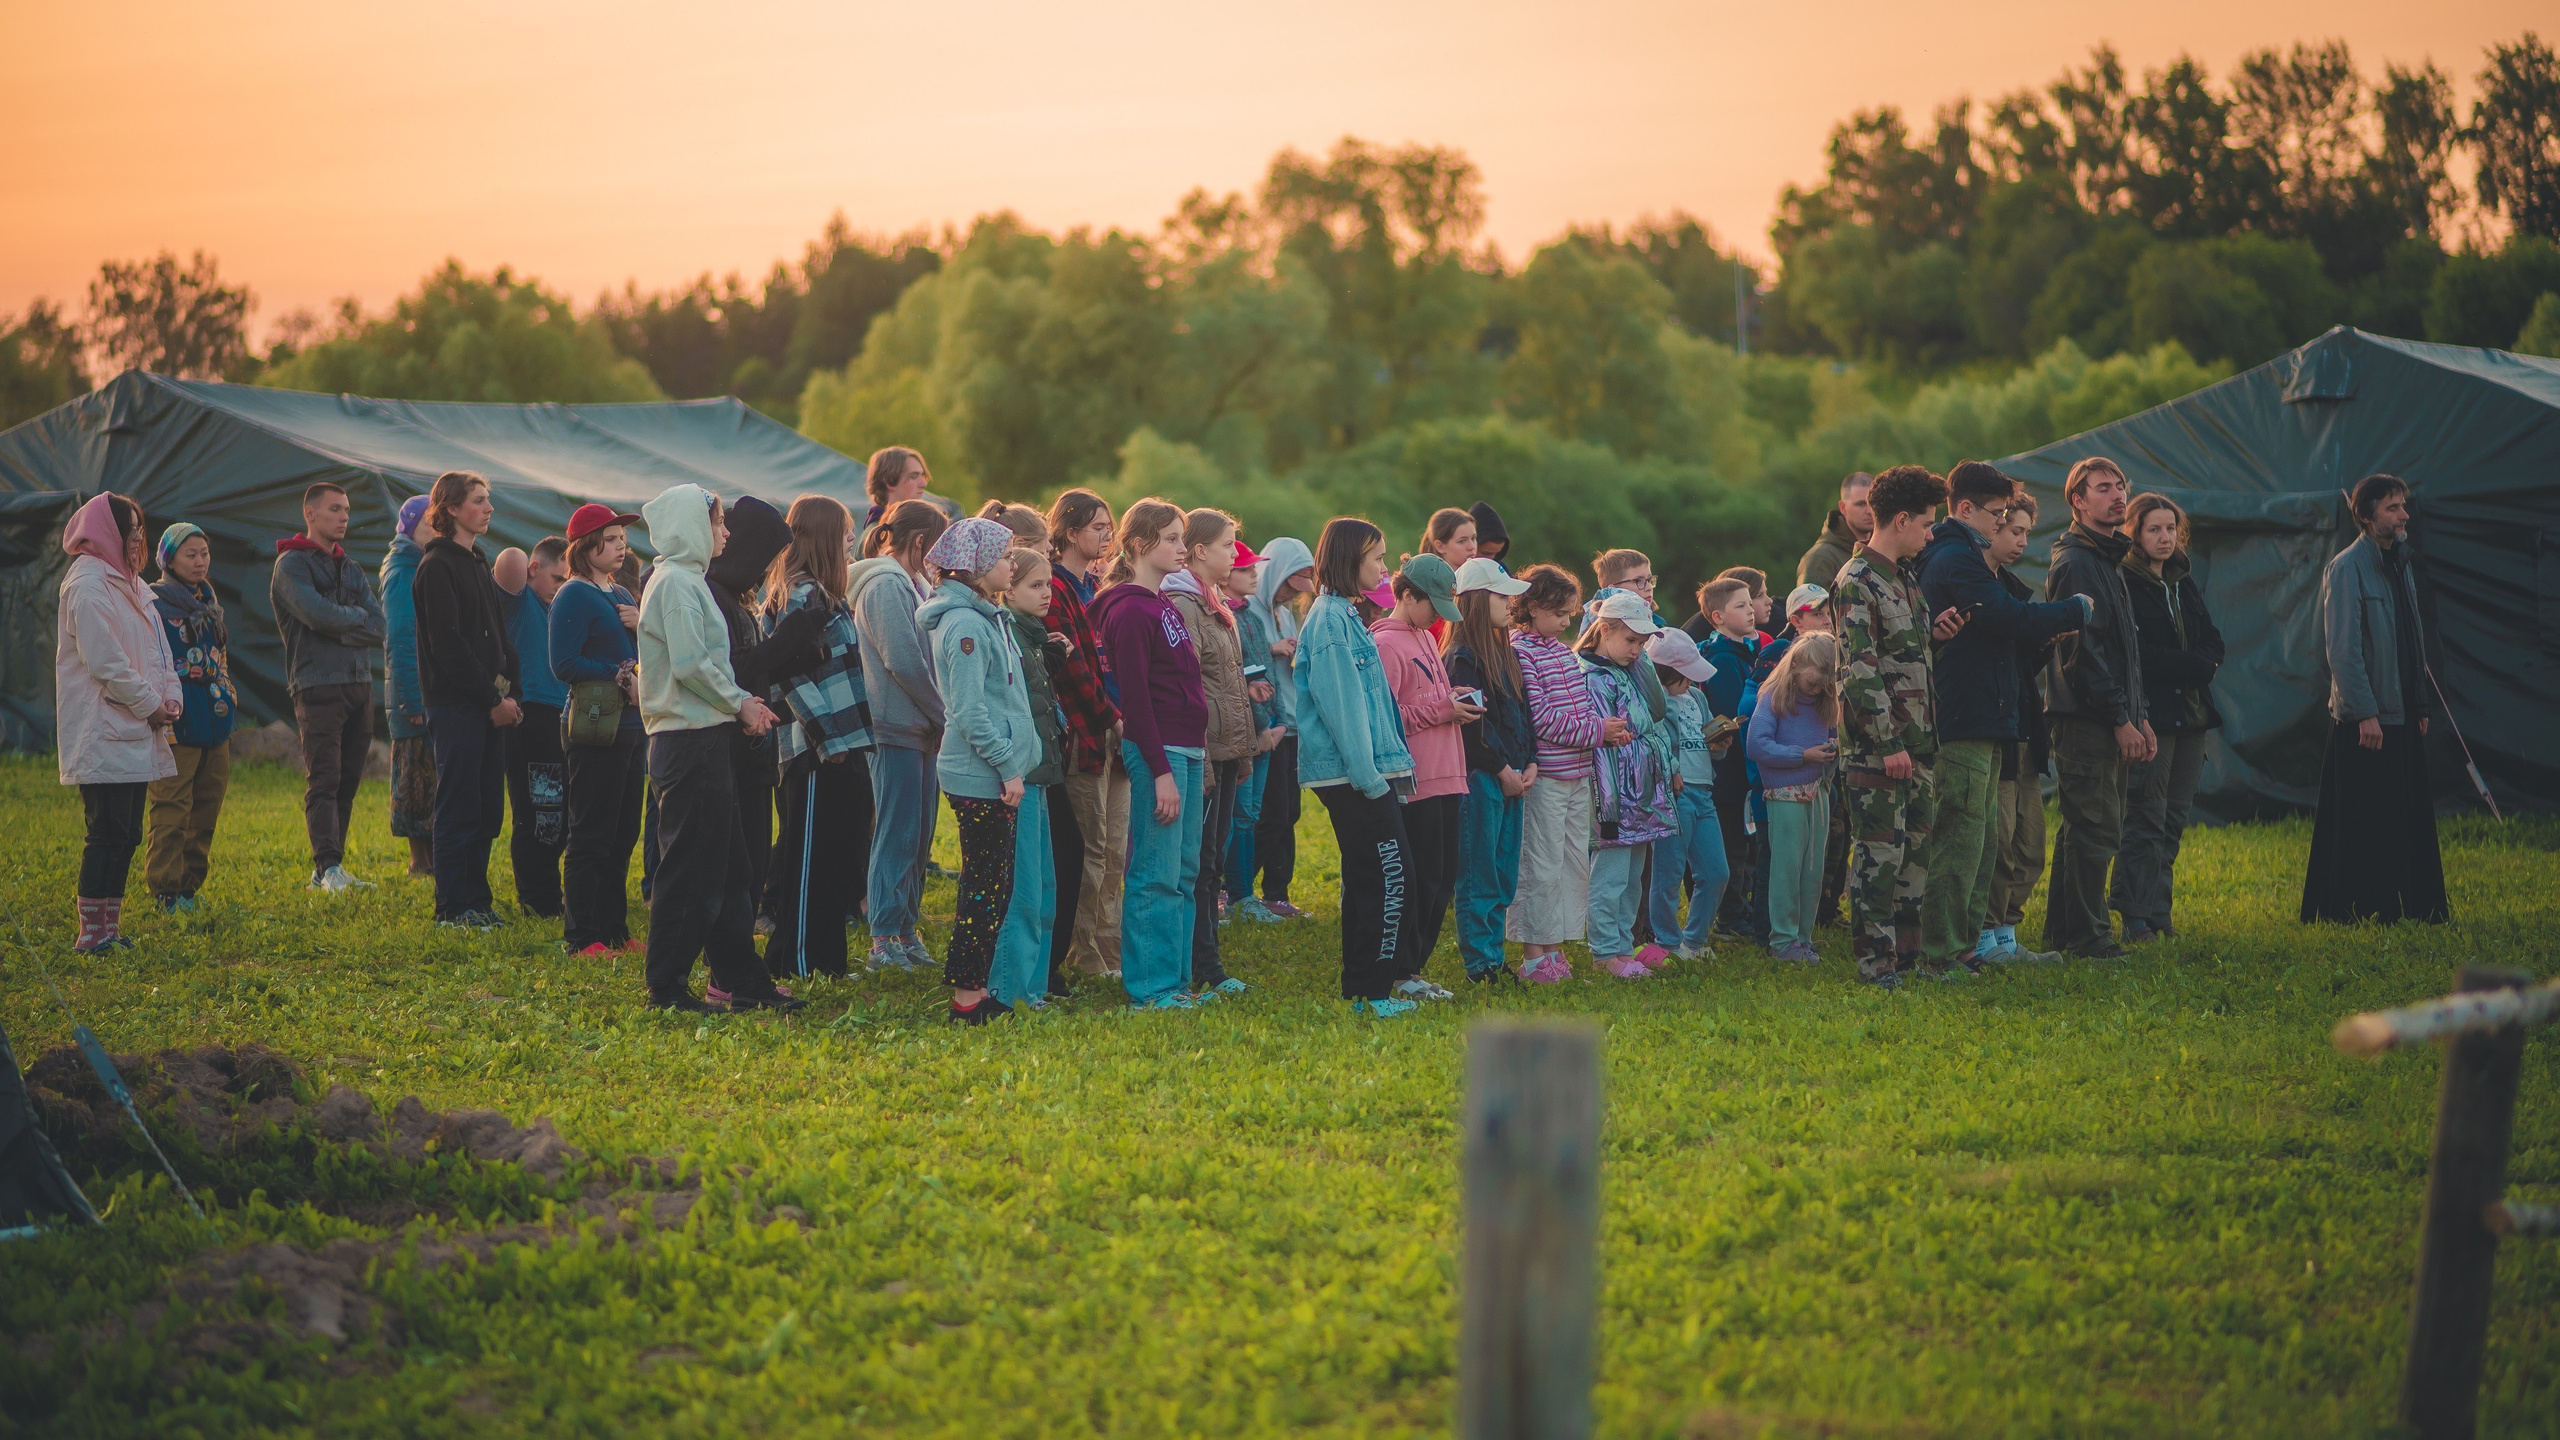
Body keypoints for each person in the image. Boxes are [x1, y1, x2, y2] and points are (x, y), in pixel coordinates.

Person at [1914, 461, 2087, 974]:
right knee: (1960, 838)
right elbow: (2005, 615)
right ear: (1964, 509)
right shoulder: (1954, 558)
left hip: (1987, 719)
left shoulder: (1964, 555)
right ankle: (1942, 952)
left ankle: (1968, 946)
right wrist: (2073, 610)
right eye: (1997, 514)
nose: (2002, 524)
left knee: (1984, 838)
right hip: (1964, 718)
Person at [635, 484, 796, 1013]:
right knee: (692, 869)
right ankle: (667, 986)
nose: (726, 532)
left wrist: (737, 702)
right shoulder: (678, 583)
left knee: (729, 869)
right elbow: (690, 665)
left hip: (703, 735)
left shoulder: (688, 581)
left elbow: (706, 666)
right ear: (690, 526)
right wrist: (741, 704)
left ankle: (742, 978)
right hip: (687, 740)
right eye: (718, 522)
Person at [2302, 474, 2448, 925]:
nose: (2404, 514)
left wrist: (2419, 705)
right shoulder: (2347, 568)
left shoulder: (2399, 563)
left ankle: (2410, 906)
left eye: (2403, 505)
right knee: (2363, 820)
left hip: (2402, 712)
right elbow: (2343, 651)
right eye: (2392, 507)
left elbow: (2411, 640)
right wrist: (2364, 713)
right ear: (2366, 516)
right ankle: (2357, 910)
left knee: (2403, 816)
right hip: (2367, 719)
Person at [1835, 464, 1956, 987]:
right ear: (1901, 519)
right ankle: (1874, 964)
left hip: (1918, 742)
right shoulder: (1856, 581)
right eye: (1926, 524)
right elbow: (1858, 670)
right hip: (1879, 749)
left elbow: (1901, 655)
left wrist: (1940, 635)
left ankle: (1905, 959)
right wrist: (1886, 743)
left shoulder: (1905, 577)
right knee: (1879, 857)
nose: (1931, 534)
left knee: (1914, 855)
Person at [1296, 517, 1421, 1017]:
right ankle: (1373, 993)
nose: (1386, 569)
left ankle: (1364, 991)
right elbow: (1342, 706)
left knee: (1376, 875)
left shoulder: (1345, 615)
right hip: (1353, 775)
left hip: (1365, 772)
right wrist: (1371, 779)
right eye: (1378, 559)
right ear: (1351, 561)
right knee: (1391, 876)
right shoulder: (1329, 621)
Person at [1091, 499, 1211, 1011]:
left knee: (1183, 873)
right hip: (1158, 751)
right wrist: (1161, 771)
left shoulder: (1162, 602)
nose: (1181, 548)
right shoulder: (1130, 608)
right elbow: (1135, 698)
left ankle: (1176, 981)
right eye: (1170, 538)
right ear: (1139, 544)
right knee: (1155, 872)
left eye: (1181, 538)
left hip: (1186, 749)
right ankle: (1150, 988)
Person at [918, 519, 1038, 1023]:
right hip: (981, 773)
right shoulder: (966, 625)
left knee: (994, 883)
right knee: (985, 886)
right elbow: (968, 713)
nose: (1013, 564)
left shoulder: (987, 616)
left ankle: (974, 988)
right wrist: (1009, 767)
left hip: (994, 771)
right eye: (1006, 556)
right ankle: (967, 999)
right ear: (976, 566)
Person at [58, 494, 181, 951]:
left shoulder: (134, 584)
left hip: (136, 726)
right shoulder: (87, 585)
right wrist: (151, 704)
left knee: (128, 833)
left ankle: (110, 928)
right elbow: (105, 663)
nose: (136, 538)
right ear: (106, 531)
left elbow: (160, 652)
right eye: (129, 529)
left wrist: (170, 695)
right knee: (105, 831)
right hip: (103, 729)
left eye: (139, 529)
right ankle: (91, 934)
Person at [2041, 456, 2153, 959]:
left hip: (2110, 715)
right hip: (2085, 720)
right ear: (2078, 501)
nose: (2117, 495)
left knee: (2083, 826)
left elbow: (2125, 650)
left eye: (2120, 486)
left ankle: (2065, 933)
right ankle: (2088, 938)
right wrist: (2119, 718)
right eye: (2103, 488)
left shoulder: (2106, 559)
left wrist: (2140, 714)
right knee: (2094, 828)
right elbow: (2081, 656)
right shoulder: (2076, 563)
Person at [759, 496, 871, 980]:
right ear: (823, 536)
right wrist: (828, 739)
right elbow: (787, 676)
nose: (851, 540)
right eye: (844, 531)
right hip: (815, 751)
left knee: (838, 856)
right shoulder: (801, 598)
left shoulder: (826, 595)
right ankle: (795, 960)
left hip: (844, 745)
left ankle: (828, 960)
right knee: (808, 860)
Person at [2112, 492, 2224, 942]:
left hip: (2192, 714)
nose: (2164, 537)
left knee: (2174, 816)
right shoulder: (2126, 580)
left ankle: (2160, 910)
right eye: (2154, 529)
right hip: (2152, 715)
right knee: (2146, 815)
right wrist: (2191, 665)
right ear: (2135, 533)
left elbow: (2212, 639)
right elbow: (2136, 653)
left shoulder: (2183, 580)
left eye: (2171, 529)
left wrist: (2204, 662)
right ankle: (2133, 914)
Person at [412, 471, 520, 928]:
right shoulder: (436, 567)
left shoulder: (478, 562)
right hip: (457, 704)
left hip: (487, 701)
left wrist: (510, 684)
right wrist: (490, 696)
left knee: (486, 807)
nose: (488, 508)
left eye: (488, 499)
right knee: (458, 806)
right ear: (452, 508)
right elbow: (448, 645)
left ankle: (477, 900)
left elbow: (498, 637)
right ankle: (453, 907)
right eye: (479, 500)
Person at [269, 480, 387, 893]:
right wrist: (351, 618)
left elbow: (379, 624)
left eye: (347, 510)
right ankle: (328, 866)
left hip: (359, 684)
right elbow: (316, 615)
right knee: (324, 778)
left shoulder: (349, 566)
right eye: (335, 509)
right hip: (317, 685)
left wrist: (344, 622)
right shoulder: (291, 566)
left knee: (349, 780)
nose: (343, 517)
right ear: (311, 514)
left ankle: (328, 871)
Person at [1371, 553, 1479, 997]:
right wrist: (1441, 708)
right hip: (1414, 780)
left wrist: (1449, 695)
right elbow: (1386, 716)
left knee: (1443, 878)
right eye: (1432, 604)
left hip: (1448, 774)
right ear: (1408, 595)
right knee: (1420, 879)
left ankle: (1413, 970)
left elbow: (1423, 699)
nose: (1437, 615)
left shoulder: (1424, 638)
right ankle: (1399, 973)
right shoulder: (1384, 643)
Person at [849, 499, 950, 970]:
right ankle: (884, 936)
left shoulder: (914, 584)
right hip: (896, 728)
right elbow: (903, 660)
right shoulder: (885, 585)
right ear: (918, 542)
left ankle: (906, 928)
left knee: (919, 833)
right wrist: (943, 712)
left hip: (921, 727)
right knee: (896, 831)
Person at [550, 503, 650, 957]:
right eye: (610, 540)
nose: (620, 546)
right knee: (590, 832)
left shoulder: (624, 595)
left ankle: (614, 929)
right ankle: (582, 936)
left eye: (622, 539)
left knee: (623, 831)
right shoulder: (573, 594)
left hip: (632, 726)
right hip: (593, 726)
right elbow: (564, 663)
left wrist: (641, 628)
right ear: (585, 547)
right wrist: (619, 673)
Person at [1164, 508, 1257, 995]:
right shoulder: (1183, 603)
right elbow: (1191, 689)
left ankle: (1205, 959)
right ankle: (1199, 963)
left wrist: (1240, 755)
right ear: (1199, 551)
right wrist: (1202, 763)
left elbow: (1232, 686)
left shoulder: (1214, 602)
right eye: (1227, 545)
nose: (1235, 554)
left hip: (1222, 751)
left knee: (1212, 861)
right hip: (1199, 754)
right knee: (1198, 863)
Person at [1509, 564, 1616, 981]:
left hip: (1577, 772)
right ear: (1533, 607)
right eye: (1560, 613)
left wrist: (1598, 729)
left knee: (1572, 864)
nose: (1568, 621)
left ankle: (1555, 950)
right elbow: (1542, 719)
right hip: (1549, 778)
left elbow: (1583, 706)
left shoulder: (1560, 651)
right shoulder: (1521, 651)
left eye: (1571, 613)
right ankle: (1533, 955)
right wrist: (1597, 732)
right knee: (1541, 863)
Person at [1041, 490, 1125, 980]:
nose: (1106, 536)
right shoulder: (1054, 584)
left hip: (1113, 727)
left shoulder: (1092, 586)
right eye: (1097, 527)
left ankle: (1108, 949)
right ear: (1070, 532)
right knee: (1091, 848)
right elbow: (1072, 668)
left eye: (1108, 526)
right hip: (1084, 733)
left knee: (1114, 848)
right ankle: (1083, 952)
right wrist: (1112, 717)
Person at [1443, 557, 1535, 983]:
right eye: (1502, 596)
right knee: (1480, 874)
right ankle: (1481, 964)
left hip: (1512, 777)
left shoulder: (1505, 652)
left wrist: (1529, 761)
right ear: (1479, 600)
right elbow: (1473, 726)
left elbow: (1522, 712)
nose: (1510, 605)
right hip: (1483, 780)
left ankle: (1495, 958)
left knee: (1503, 874)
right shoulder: (1462, 657)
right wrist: (1503, 770)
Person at [1576, 592, 1676, 980]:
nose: (1637, 650)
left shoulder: (1626, 671)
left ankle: (1621, 946)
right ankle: (1603, 953)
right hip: (1613, 797)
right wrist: (1610, 808)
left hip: (1640, 795)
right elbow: (1601, 751)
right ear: (1604, 629)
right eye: (1631, 641)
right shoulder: (1593, 678)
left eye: (1642, 643)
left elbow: (1654, 713)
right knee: (1610, 876)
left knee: (1632, 878)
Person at [1982, 493, 2061, 962]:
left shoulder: (2012, 590)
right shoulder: (1982, 589)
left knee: (2030, 846)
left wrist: (2044, 641)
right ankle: (1987, 939)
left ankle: (2007, 936)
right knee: (1999, 844)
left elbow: (2018, 668)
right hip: (1997, 734)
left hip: (2025, 733)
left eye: (2028, 532)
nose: (2022, 541)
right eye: (2015, 530)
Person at [992, 544, 1071, 1009]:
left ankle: (1035, 988)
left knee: (1044, 889)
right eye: (1035, 586)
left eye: (1049, 586)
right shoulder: (1011, 635)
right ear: (1009, 588)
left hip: (1042, 772)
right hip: (1021, 774)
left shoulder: (1034, 634)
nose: (1046, 595)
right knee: (1022, 892)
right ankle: (1011, 991)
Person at [144, 522, 234, 914]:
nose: (200, 562)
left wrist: (228, 695)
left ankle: (188, 888)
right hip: (177, 723)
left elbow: (221, 658)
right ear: (169, 559)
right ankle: (166, 889)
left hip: (214, 719)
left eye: (205, 554)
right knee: (173, 806)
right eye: (191, 555)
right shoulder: (154, 604)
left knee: (206, 805)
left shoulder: (209, 603)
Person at [1751, 635, 1841, 961]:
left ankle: (1803, 938)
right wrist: (1802, 755)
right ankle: (1783, 941)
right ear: (1796, 665)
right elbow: (1757, 745)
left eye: (1824, 684)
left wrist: (1832, 750)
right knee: (1787, 870)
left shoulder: (1823, 701)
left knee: (1812, 871)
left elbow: (1830, 735)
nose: (1817, 689)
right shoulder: (1773, 698)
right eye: (1813, 682)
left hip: (1818, 793)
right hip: (1785, 796)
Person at [493, 538, 569, 918]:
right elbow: (511, 558)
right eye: (557, 576)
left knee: (564, 815)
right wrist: (533, 566)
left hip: (564, 719)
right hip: (531, 719)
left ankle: (552, 894)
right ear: (535, 571)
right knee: (541, 813)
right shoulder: (519, 601)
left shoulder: (562, 608)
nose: (561, 585)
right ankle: (538, 902)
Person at [1243, 536, 1317, 919]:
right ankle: (1236, 889)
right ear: (1275, 574)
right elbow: (1243, 657)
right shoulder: (1248, 610)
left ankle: (1277, 891)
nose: (1293, 593)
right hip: (1265, 725)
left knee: (1289, 812)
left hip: (1290, 726)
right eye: (1290, 584)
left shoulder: (1283, 612)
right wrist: (1274, 650)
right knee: (1267, 813)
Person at [1643, 627, 1727, 960]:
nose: (1691, 682)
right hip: (1674, 794)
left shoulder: (1698, 697)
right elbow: (1656, 739)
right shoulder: (1656, 701)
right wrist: (1672, 769)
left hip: (1704, 793)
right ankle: (1667, 942)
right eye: (1685, 676)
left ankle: (1695, 940)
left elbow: (1708, 739)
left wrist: (1719, 744)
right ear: (1667, 673)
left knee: (1716, 871)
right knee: (1668, 873)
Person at [1692, 577, 1761, 938]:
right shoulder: (1721, 659)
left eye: (1750, 603)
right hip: (1730, 773)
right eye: (1740, 605)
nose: (1750, 610)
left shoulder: (1747, 651)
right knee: (1733, 846)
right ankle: (1730, 916)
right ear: (1717, 616)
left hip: (1744, 772)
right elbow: (1732, 719)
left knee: (1746, 845)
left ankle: (1741, 910)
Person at [1222, 540, 1285, 925]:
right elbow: (1236, 677)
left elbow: (1266, 672)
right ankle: (1237, 896)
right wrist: (1262, 726)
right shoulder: (1223, 617)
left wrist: (1275, 721)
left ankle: (1242, 895)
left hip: (1266, 724)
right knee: (1239, 814)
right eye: (1245, 569)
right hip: (1247, 729)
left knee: (1252, 813)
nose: (1253, 574)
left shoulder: (1252, 616)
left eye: (1253, 568)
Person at [381, 495, 436, 878]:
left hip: (423, 693)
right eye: (431, 524)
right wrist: (413, 700)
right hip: (411, 698)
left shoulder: (422, 564)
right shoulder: (403, 570)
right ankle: (420, 863)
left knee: (431, 776)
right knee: (415, 779)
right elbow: (402, 637)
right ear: (411, 526)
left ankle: (432, 859)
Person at [1797, 471, 1874, 590]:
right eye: (1861, 504)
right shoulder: (1821, 559)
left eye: (1873, 503)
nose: (1870, 511)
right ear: (1843, 508)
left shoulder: (1885, 552)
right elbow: (1808, 607)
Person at [1411, 508, 1477, 642]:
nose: (1471, 546)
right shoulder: (1425, 588)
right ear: (1440, 546)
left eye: (1474, 538)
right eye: (1462, 541)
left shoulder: (1476, 582)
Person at [1468, 502, 1512, 572]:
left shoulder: (1499, 569)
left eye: (1496, 554)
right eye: (1486, 553)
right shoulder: (1453, 575)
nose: (1491, 559)